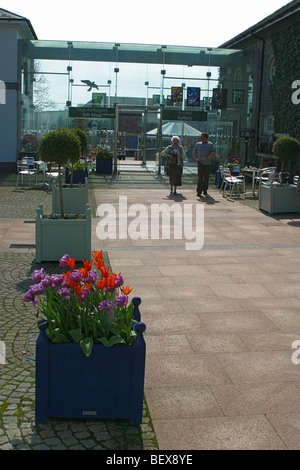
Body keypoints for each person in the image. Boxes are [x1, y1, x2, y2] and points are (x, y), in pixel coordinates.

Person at [193, 132, 216, 196]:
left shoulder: (210, 144)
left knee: (206, 178)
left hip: (207, 164)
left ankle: (205, 190)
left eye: (201, 137)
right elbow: (194, 151)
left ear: (205, 138)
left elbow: (212, 153)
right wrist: (195, 158)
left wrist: (206, 158)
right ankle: (199, 191)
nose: (200, 138)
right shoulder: (198, 144)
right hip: (200, 163)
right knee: (200, 177)